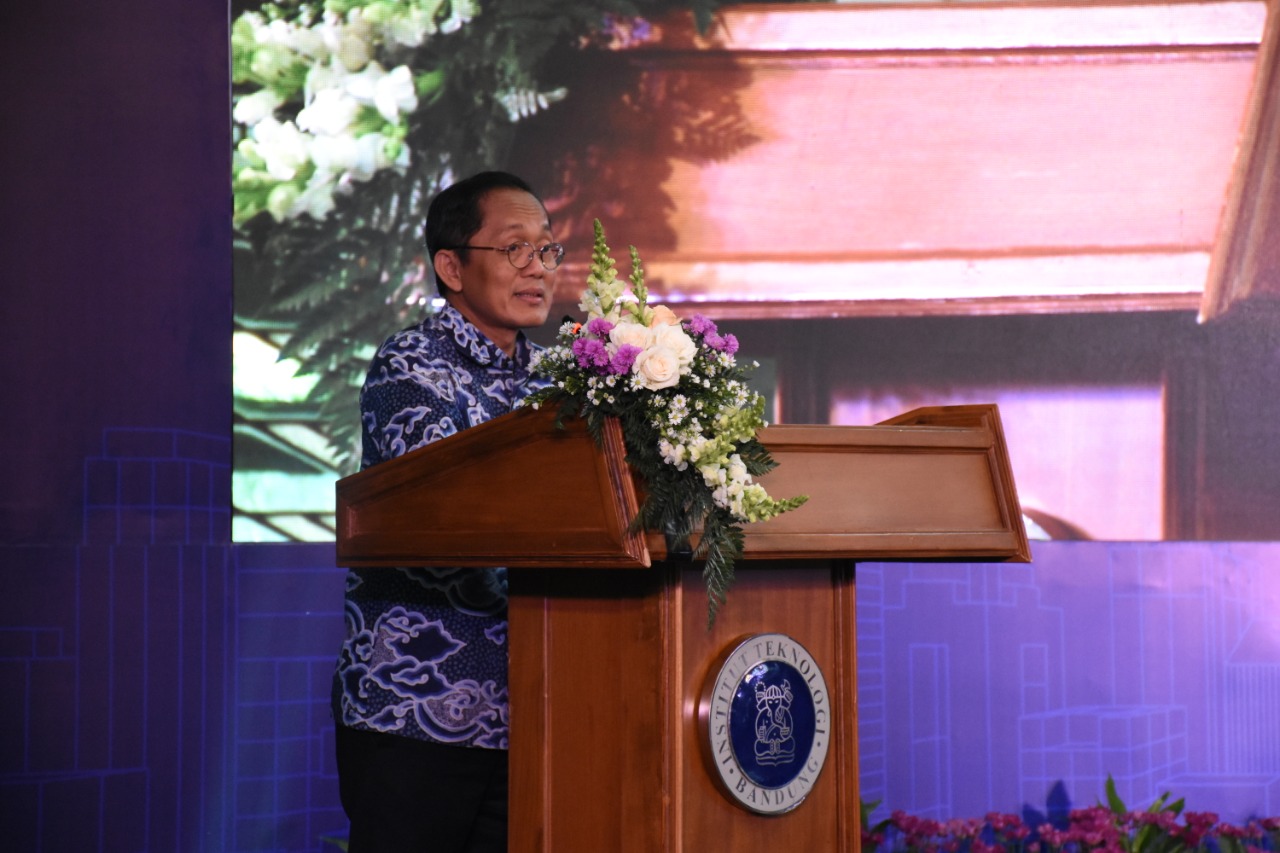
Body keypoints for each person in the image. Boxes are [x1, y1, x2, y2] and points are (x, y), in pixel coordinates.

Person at [333, 171, 561, 852]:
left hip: (534, 711)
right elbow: (447, 507)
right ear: (452, 267)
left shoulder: (561, 379)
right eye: (514, 248)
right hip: (417, 708)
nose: (537, 267)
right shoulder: (412, 365)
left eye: (546, 249)